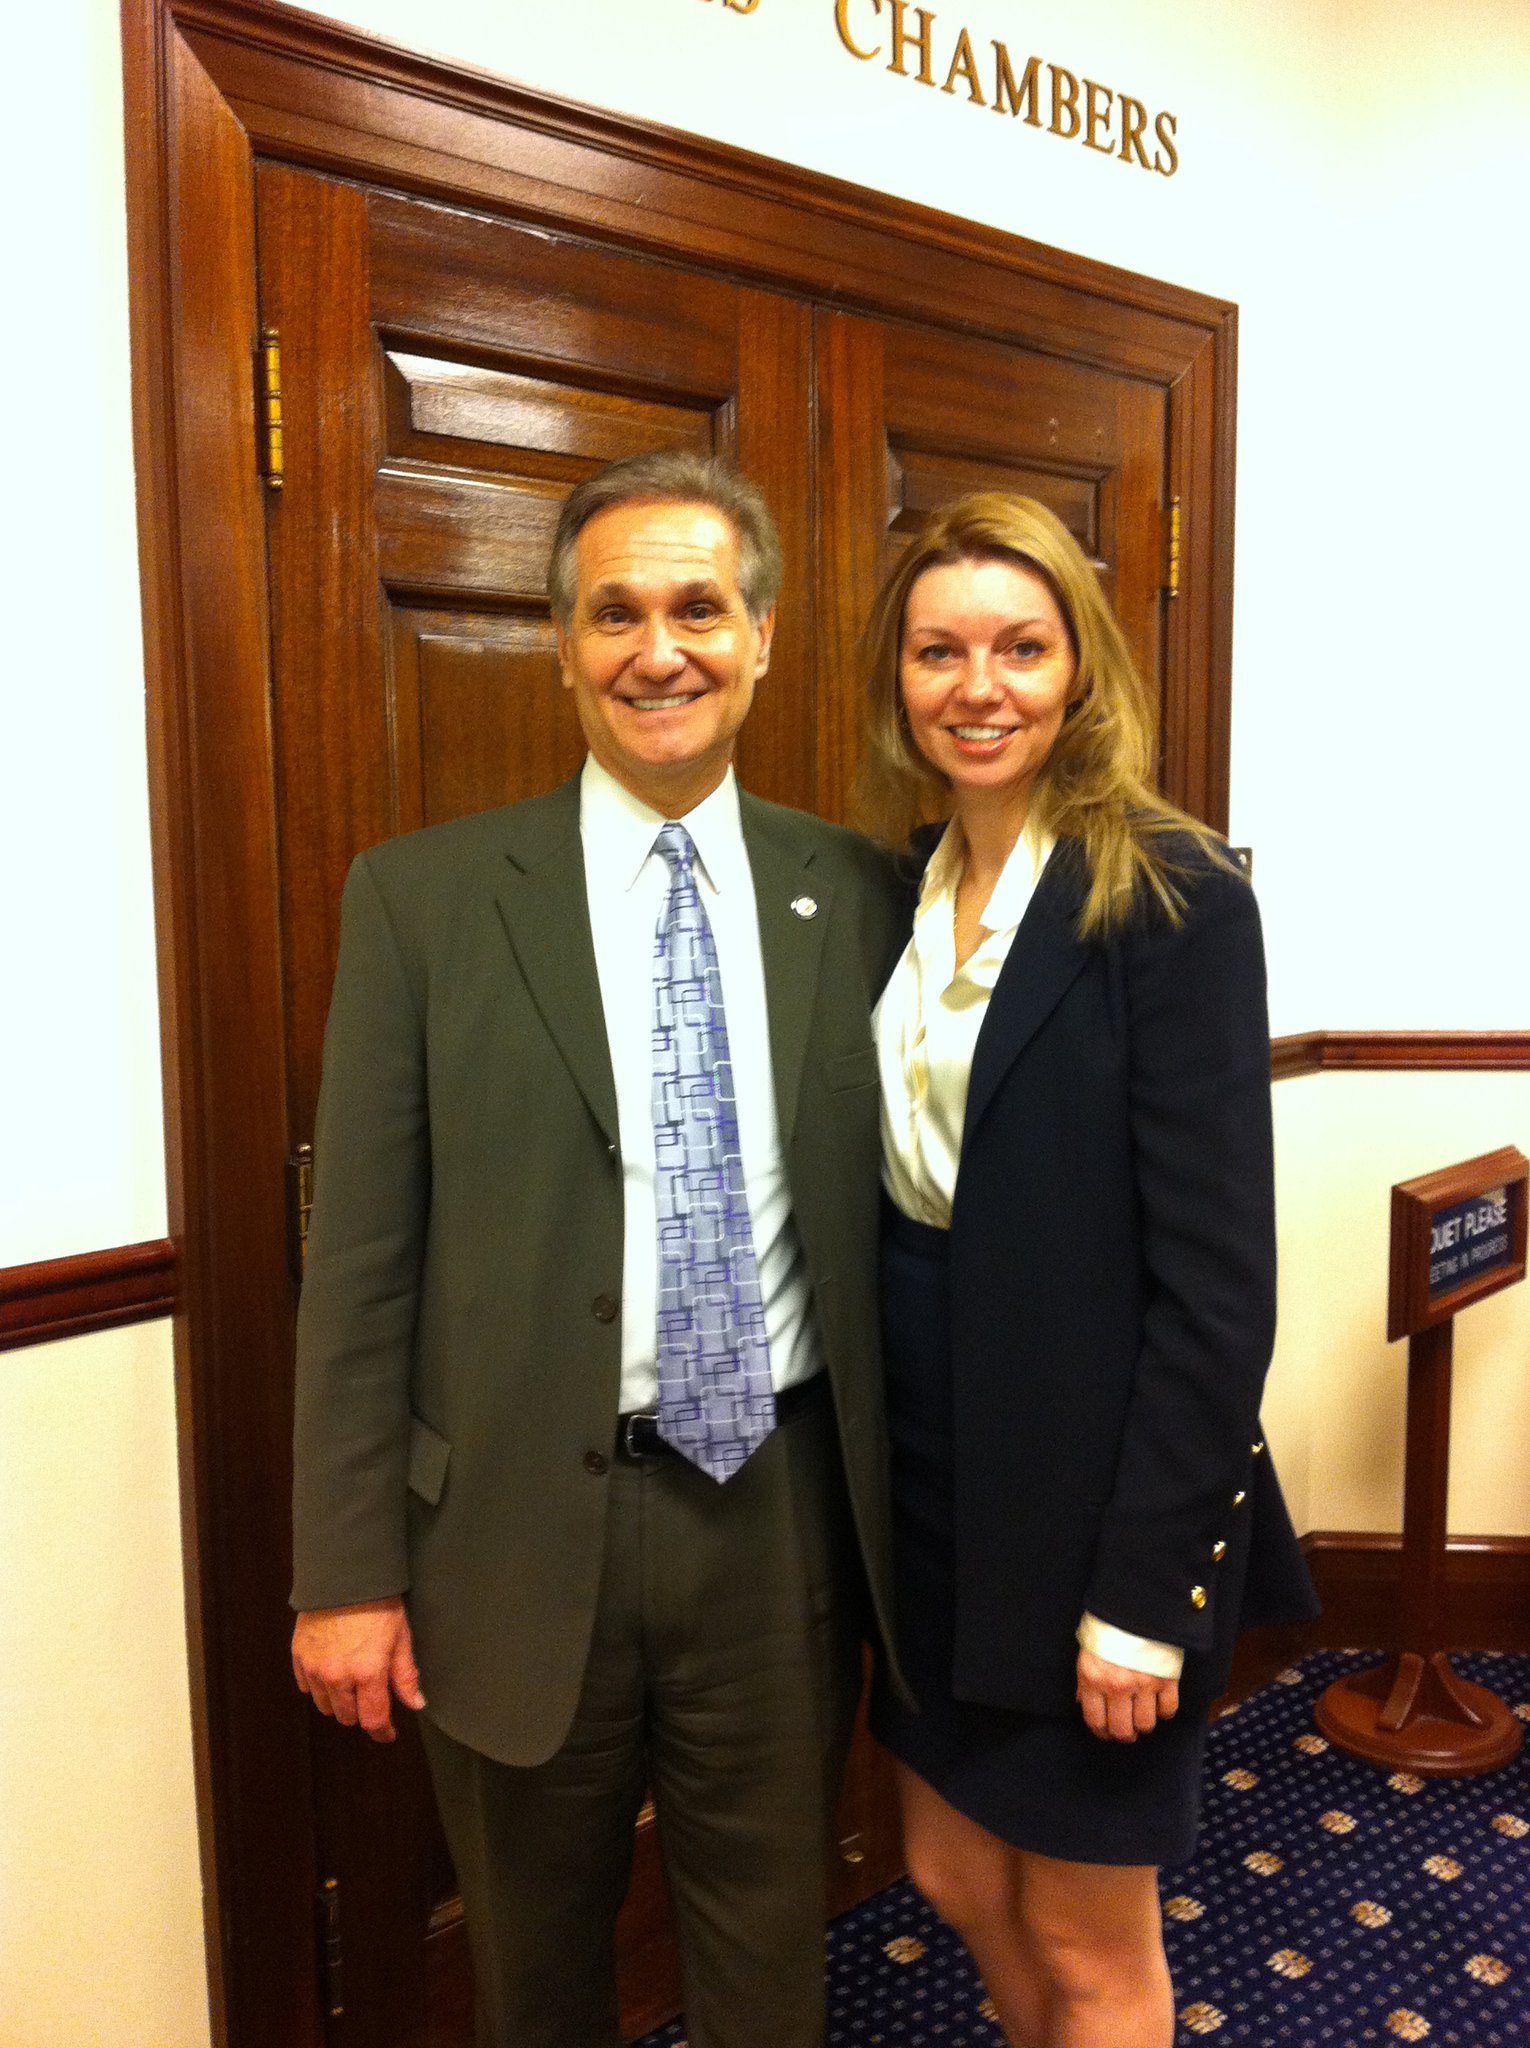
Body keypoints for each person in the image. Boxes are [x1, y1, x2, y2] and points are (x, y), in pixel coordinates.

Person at [289, 450, 907, 2048]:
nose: (660, 648)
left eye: (699, 606)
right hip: (502, 1532)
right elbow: (359, 1264)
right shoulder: (419, 904)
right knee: (534, 1974)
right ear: (560, 645)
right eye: (614, 612)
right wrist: (344, 1575)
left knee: (772, 1963)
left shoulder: (858, 895)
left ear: (761, 634)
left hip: (773, 1524)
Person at [858, 492, 1318, 2048]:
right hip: (925, 1499)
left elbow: (1215, 1291)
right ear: (896, 676)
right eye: (938, 650)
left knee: (1086, 1934)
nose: (975, 686)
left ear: (1079, 669)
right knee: (944, 1863)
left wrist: (1143, 1594)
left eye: (1017, 646)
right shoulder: (900, 891)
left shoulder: (1172, 897)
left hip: (1084, 1509)